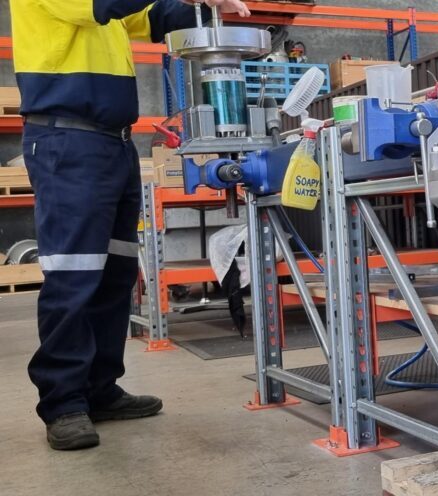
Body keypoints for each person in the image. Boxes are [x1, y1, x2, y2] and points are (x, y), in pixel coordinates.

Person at [11, 0, 251, 451]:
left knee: (116, 273)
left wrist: (205, 10)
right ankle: (63, 402)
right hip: (68, 139)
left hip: (113, 143)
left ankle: (100, 389)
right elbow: (108, 5)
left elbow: (152, 16)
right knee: (74, 274)